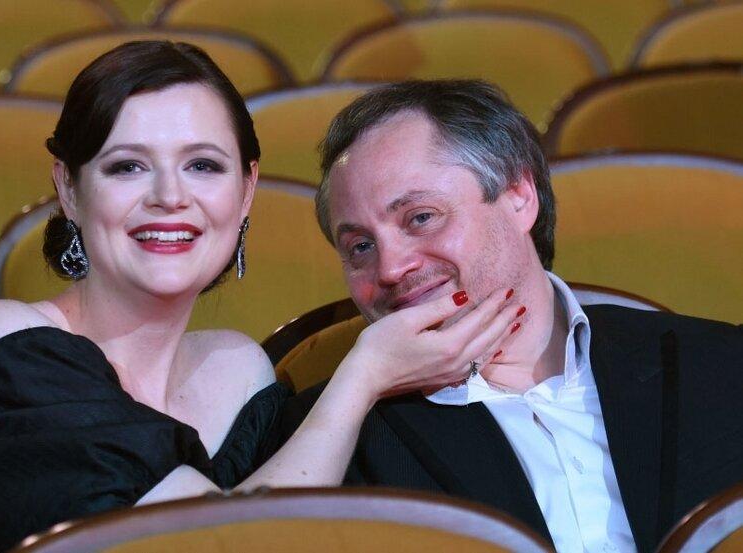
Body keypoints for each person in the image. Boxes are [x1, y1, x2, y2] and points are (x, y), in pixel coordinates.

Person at [0, 44, 523, 552]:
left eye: (203, 165)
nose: (170, 196)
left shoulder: (239, 369)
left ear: (245, 191)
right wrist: (362, 377)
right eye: (127, 166)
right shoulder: (5, 346)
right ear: (70, 189)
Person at [270, 80, 743, 553]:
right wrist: (360, 381)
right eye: (360, 247)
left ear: (519, 196)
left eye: (421, 218)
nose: (391, 268)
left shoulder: (719, 364)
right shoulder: (334, 437)